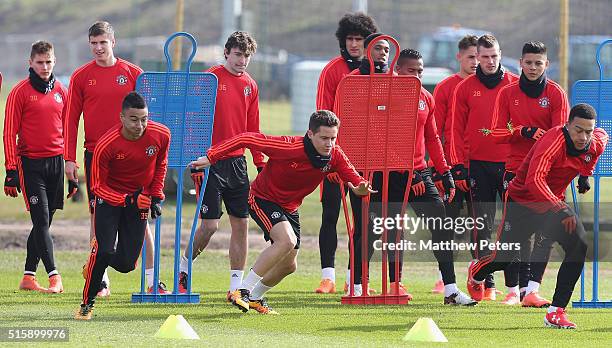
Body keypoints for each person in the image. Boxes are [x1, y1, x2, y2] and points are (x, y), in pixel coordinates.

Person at [190, 110, 374, 314]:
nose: (329, 144)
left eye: (333, 138)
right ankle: (241, 290)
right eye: (324, 138)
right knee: (286, 240)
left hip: (290, 207)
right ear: (310, 134)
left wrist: (360, 188)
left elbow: (356, 179)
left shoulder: (335, 155)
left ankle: (255, 297)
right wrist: (211, 156)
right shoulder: (288, 146)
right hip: (262, 198)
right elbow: (246, 138)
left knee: (289, 266)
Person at [468, 103, 607, 329]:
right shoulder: (553, 141)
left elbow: (598, 145)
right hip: (522, 201)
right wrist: (559, 208)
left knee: (579, 245)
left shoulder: (596, 141)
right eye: (578, 130)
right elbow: (535, 181)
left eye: (588, 131)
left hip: (552, 204)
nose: (583, 137)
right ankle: (476, 271)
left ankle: (555, 312)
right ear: (567, 125)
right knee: (504, 259)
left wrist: (584, 175)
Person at [64, 21, 167, 296]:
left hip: (134, 157)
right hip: (97, 156)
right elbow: (71, 119)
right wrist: (68, 158)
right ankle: (101, 280)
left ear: (113, 43)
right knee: (98, 218)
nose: (99, 48)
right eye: (94, 43)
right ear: (89, 45)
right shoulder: (80, 76)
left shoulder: (134, 73)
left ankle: (151, 281)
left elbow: (149, 117)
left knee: (141, 215)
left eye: (103, 43)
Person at [178, 31, 265, 298]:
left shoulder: (250, 85)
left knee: (241, 223)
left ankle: (235, 286)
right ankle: (182, 270)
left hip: (237, 163)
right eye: (238, 54)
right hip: (209, 162)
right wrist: (194, 157)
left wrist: (259, 162)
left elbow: (253, 128)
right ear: (226, 53)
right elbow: (191, 118)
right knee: (210, 226)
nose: (242, 60)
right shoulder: (209, 79)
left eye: (247, 56)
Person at [486, 41, 569, 306]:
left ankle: (530, 291)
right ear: (520, 63)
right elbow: (495, 133)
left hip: (549, 175)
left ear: (546, 64)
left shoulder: (556, 94)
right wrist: (523, 131)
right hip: (517, 171)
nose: (533, 68)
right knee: (514, 236)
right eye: (529, 63)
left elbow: (562, 137)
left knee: (546, 233)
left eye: (538, 63)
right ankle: (484, 276)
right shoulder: (507, 93)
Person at [75, 91, 170, 320]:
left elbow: (160, 164)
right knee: (105, 248)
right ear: (122, 118)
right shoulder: (106, 144)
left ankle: (96, 260)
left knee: (128, 264)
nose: (140, 125)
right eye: (134, 119)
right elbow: (97, 187)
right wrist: (127, 199)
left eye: (144, 119)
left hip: (139, 202)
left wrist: (156, 196)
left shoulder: (162, 135)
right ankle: (86, 305)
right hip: (108, 201)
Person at [449, 34, 519, 301]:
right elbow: (455, 129)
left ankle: (513, 289)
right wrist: (458, 165)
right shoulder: (464, 88)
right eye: (485, 56)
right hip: (478, 166)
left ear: (500, 54)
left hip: (510, 165)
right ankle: (485, 282)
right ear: (476, 57)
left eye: (494, 56)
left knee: (512, 225)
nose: (490, 61)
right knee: (482, 225)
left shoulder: (514, 83)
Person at [315, 12, 378, 295]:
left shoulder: (377, 72)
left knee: (364, 219)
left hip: (365, 158)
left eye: (360, 39)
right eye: (350, 39)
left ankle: (355, 277)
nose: (355, 44)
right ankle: (327, 275)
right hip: (334, 156)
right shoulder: (332, 70)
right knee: (330, 215)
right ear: (343, 41)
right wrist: (326, 159)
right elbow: (320, 115)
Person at [3, 40, 70, 294]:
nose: (44, 66)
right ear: (30, 63)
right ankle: (55, 276)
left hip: (56, 164)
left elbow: (67, 132)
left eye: (48, 62)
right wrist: (11, 170)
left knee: (44, 223)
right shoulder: (19, 92)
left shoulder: (61, 91)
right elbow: (9, 132)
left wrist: (70, 172)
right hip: (30, 164)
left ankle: (28, 277)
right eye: (40, 62)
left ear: (54, 62)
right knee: (41, 221)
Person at [430, 34, 478, 293]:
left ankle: (482, 278)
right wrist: (439, 168)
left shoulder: (490, 87)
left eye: (478, 56)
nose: (475, 61)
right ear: (459, 57)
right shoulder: (446, 87)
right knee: (448, 224)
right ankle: (443, 277)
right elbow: (434, 131)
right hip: (451, 168)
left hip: (480, 166)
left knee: (481, 224)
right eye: (470, 56)